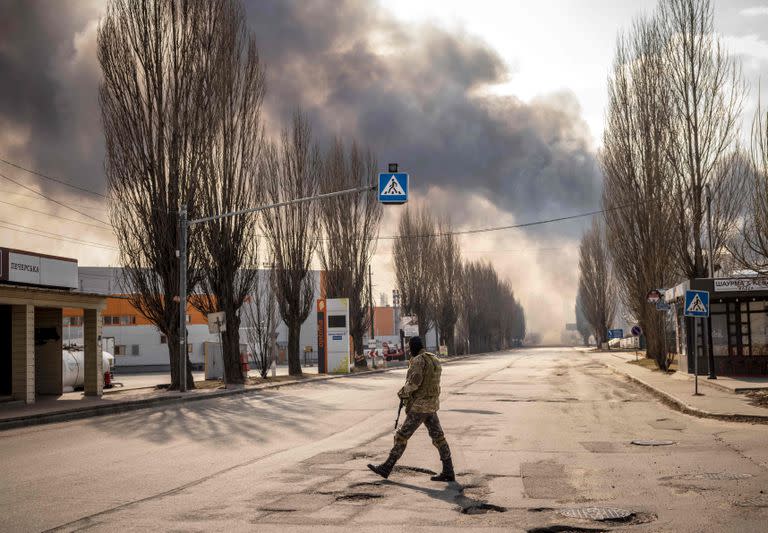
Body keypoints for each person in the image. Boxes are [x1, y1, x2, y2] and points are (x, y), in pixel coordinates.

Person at [367, 335, 455, 482]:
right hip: (431, 405)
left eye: (409, 348)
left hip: (419, 407)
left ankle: (387, 467)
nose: (409, 351)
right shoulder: (433, 358)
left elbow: (415, 382)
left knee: (401, 436)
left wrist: (402, 393)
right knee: (439, 437)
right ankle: (449, 470)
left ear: (414, 347)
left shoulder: (419, 360)